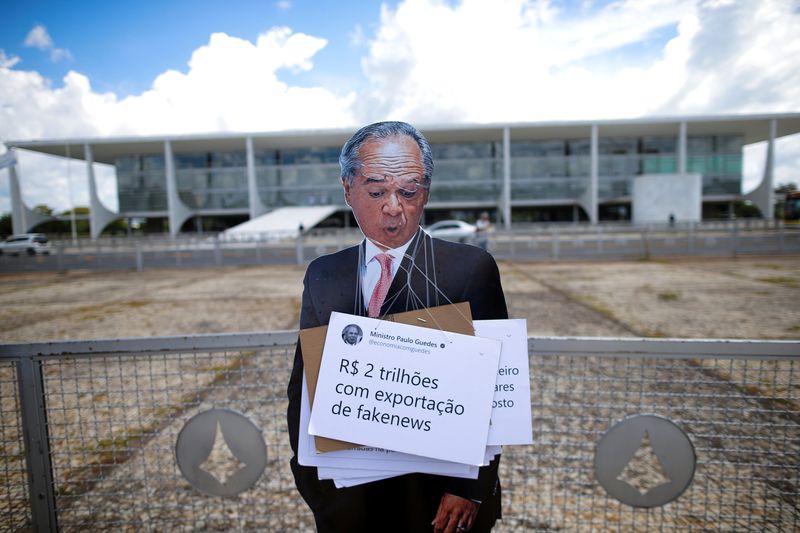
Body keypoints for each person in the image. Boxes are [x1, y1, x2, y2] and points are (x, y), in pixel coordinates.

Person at [287, 121, 508, 533]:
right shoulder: (323, 273)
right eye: (376, 191)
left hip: (438, 501)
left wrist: (469, 487)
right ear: (347, 189)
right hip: (347, 498)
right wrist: (309, 476)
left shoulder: (470, 268)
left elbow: (497, 391)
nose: (393, 206)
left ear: (425, 192)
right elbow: (303, 384)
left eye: (409, 190)